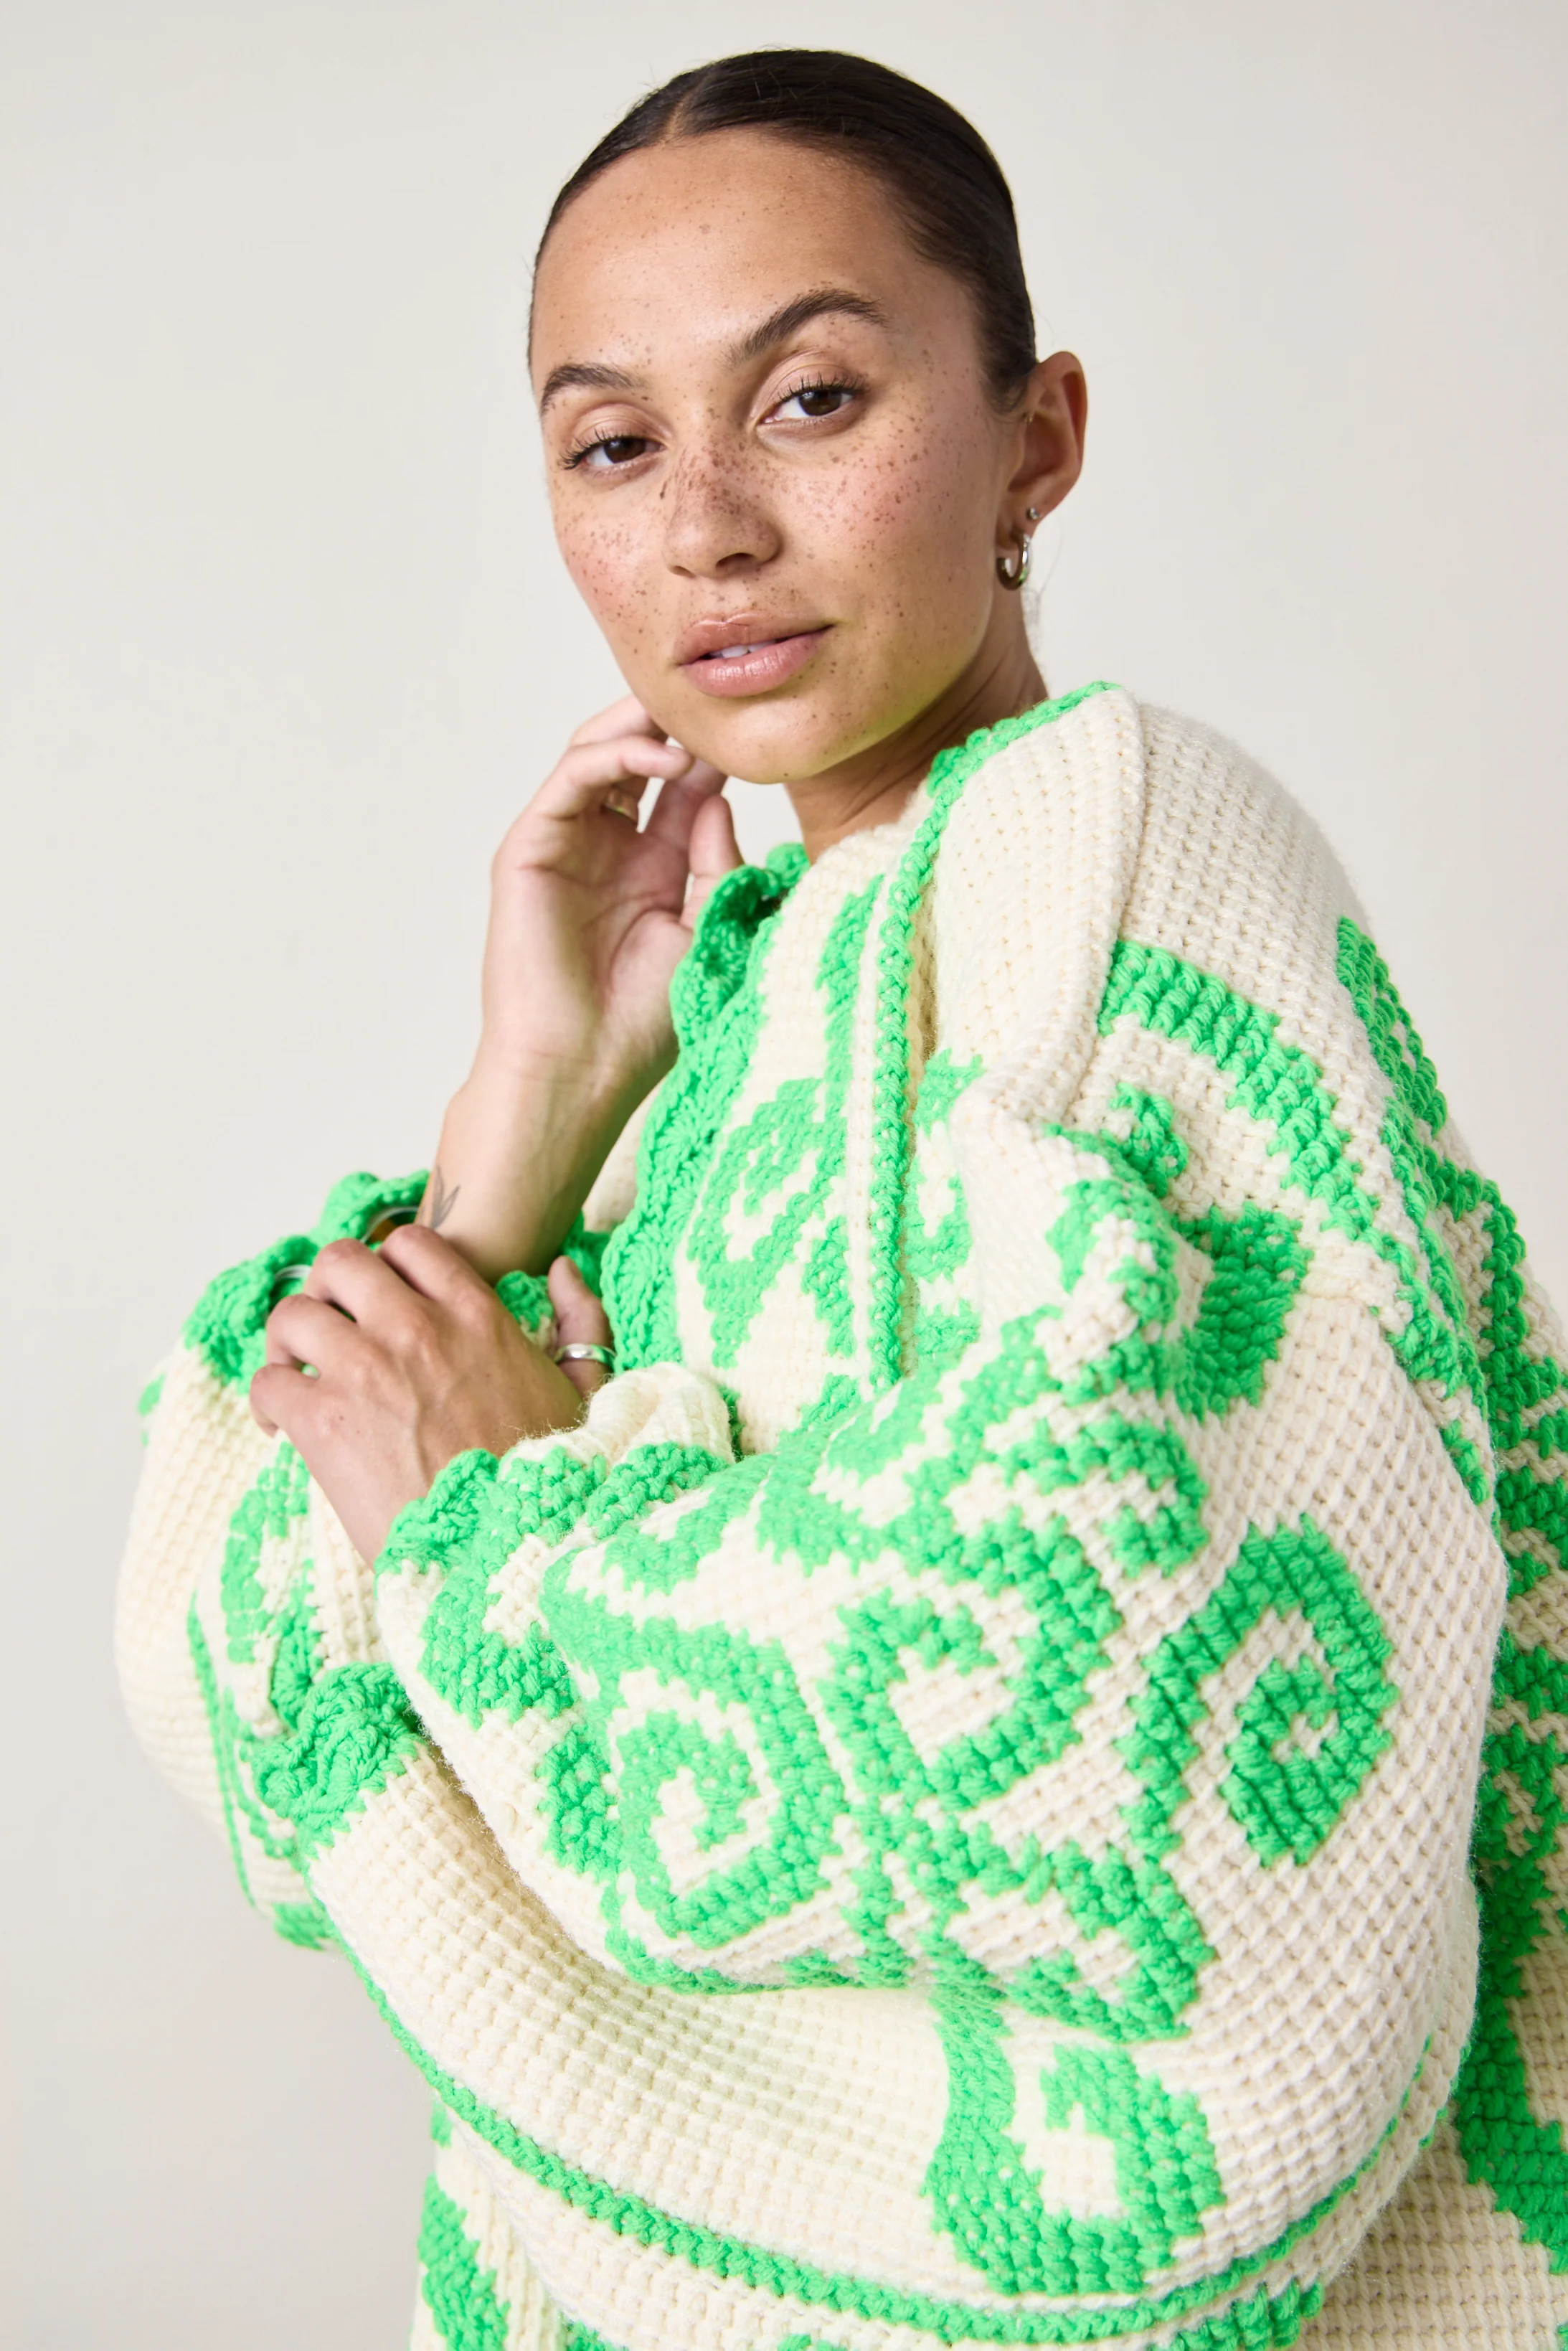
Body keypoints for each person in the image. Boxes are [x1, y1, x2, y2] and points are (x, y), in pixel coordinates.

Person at [117, 48, 1568, 2351]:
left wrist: (502, 1529)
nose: (704, 527)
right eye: (613, 444)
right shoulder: (717, 1028)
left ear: (1037, 437)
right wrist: (525, 1126)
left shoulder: (1125, 857)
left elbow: (1136, 1716)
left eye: (807, 399)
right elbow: (232, 1679)